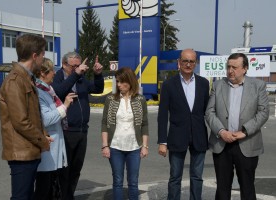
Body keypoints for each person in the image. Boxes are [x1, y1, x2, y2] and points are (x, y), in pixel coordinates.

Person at [205, 53, 269, 200]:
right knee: (222, 188)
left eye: (234, 67)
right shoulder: (217, 85)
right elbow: (209, 112)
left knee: (247, 187)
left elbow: (263, 112)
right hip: (222, 143)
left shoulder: (258, 86)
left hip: (247, 143)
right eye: (228, 67)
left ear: (245, 68)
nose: (230, 71)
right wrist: (221, 131)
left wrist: (244, 132)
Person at [0, 34, 52, 200]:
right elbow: (21, 122)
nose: (44, 59)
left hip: (28, 150)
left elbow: (33, 114)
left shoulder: (25, 78)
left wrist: (43, 133)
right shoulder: (15, 81)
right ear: (34, 56)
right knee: (21, 197)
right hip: (21, 153)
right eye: (43, 54)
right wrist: (42, 140)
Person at [157, 49, 209, 200]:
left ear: (196, 63)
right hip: (176, 138)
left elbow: (208, 111)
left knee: (197, 177)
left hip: (199, 137)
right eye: (185, 61)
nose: (188, 64)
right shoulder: (168, 85)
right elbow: (162, 115)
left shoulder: (204, 84)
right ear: (178, 63)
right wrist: (162, 142)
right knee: (175, 178)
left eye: (191, 61)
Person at [51, 52, 104, 200]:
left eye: (79, 66)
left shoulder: (81, 79)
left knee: (76, 169)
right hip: (65, 131)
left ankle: (69, 195)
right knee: (63, 169)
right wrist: (76, 75)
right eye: (73, 66)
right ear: (64, 64)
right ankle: (61, 196)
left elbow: (97, 89)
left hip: (82, 130)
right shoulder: (58, 77)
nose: (77, 69)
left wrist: (98, 74)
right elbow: (59, 92)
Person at [101, 67, 149, 200]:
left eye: (122, 82)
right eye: (117, 82)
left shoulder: (140, 100)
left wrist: (145, 146)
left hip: (134, 147)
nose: (119, 85)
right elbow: (104, 123)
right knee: (117, 181)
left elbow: (144, 124)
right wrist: (105, 146)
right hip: (115, 146)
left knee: (133, 182)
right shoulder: (111, 99)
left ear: (130, 81)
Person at [33, 58, 77, 200]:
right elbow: (45, 119)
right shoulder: (39, 92)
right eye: (51, 70)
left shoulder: (49, 90)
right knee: (43, 189)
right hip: (47, 148)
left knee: (52, 188)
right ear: (42, 73)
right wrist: (64, 106)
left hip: (54, 147)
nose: (54, 73)